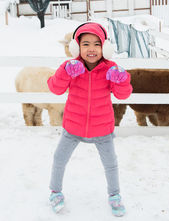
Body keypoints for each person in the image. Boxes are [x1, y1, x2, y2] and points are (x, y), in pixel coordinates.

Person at [47, 22, 132, 217]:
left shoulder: (111, 68)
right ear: (76, 47)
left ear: (105, 47)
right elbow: (55, 88)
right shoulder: (70, 67)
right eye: (85, 44)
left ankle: (114, 195)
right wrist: (64, 72)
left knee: (110, 163)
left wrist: (121, 79)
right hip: (73, 127)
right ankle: (55, 192)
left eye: (97, 44)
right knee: (59, 159)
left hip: (102, 129)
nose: (91, 49)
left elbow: (123, 95)